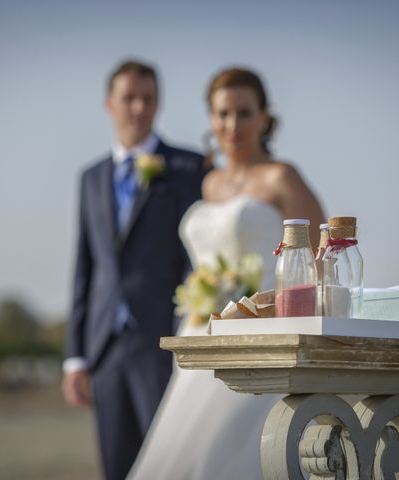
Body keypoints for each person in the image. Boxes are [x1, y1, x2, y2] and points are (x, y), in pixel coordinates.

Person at [128, 67, 325, 479]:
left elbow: (320, 261)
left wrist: (276, 306)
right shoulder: (209, 185)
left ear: (264, 118)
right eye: (222, 114)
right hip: (200, 332)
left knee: (231, 450)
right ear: (211, 119)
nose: (232, 124)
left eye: (244, 112)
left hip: (261, 334)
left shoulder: (282, 178)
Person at [62, 59, 205, 480]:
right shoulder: (90, 177)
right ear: (109, 104)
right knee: (115, 467)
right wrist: (75, 357)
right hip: (104, 346)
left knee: (167, 462)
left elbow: (194, 257)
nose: (139, 108)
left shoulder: (187, 168)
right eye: (129, 98)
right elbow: (84, 267)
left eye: (148, 98)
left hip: (162, 339)